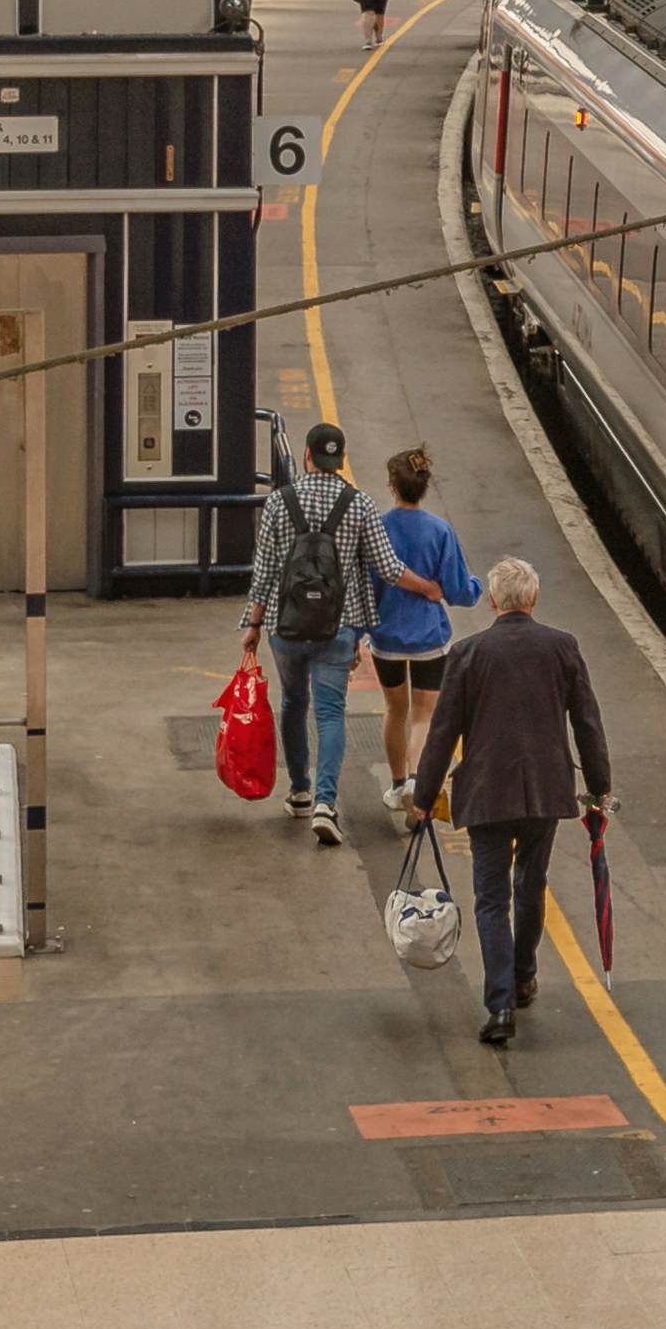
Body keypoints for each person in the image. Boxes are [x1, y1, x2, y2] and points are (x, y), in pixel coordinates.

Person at [406, 554, 607, 1045]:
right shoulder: (562, 647)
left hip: (486, 792)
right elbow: (586, 721)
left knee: (491, 899)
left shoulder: (469, 654)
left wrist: (423, 796)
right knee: (531, 884)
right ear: (532, 599)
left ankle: (499, 1008)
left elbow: (442, 731)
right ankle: (523, 976)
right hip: (545, 791)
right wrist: (599, 789)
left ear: (493, 601)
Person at [242, 422, 388, 847]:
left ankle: (300, 791)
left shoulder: (278, 503)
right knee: (330, 713)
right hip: (338, 627)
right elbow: (386, 564)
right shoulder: (358, 504)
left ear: (306, 455)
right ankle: (326, 804)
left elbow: (265, 570)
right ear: (339, 459)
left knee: (292, 701)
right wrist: (431, 586)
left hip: (285, 628)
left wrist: (252, 626)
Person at [364, 448, 480, 793]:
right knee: (423, 716)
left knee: (394, 710)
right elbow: (460, 591)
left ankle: (398, 784)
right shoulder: (439, 531)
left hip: (385, 639)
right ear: (424, 487)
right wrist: (475, 587)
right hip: (429, 639)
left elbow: (367, 584)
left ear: (392, 486)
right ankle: (418, 781)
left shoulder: (379, 529)